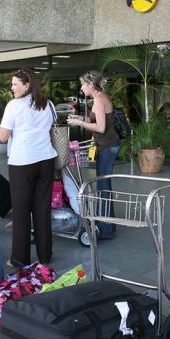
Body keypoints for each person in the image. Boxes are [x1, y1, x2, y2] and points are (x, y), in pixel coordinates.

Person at [0, 68, 57, 267]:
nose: (12, 87)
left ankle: (19, 259)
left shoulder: (14, 105)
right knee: (42, 209)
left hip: (22, 162)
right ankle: (45, 255)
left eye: (15, 84)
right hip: (46, 159)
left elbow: (3, 136)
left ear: (27, 85)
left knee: (21, 213)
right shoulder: (47, 103)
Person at [67, 71, 120, 240]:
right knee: (104, 185)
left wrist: (79, 123)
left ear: (91, 84)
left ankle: (105, 230)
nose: (81, 88)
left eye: (83, 84)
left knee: (103, 186)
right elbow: (96, 120)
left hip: (107, 145)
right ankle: (108, 226)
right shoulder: (101, 97)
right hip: (108, 145)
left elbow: (101, 128)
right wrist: (80, 118)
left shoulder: (98, 100)